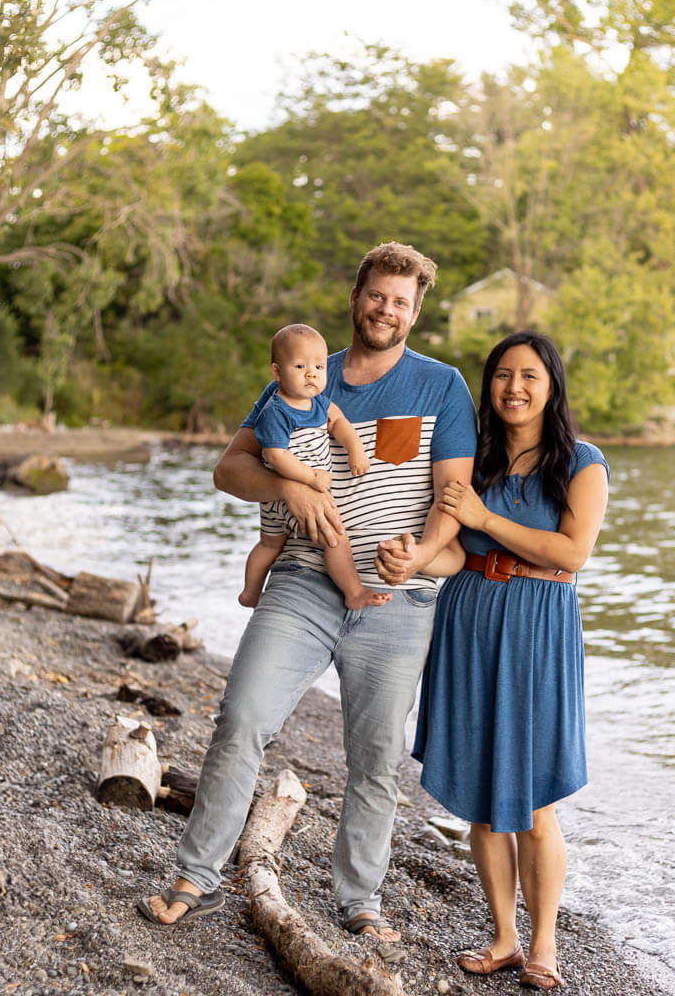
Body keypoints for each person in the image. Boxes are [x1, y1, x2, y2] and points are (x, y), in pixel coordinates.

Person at [139, 242, 477, 946]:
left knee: (376, 758)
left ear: (415, 313)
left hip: (398, 597)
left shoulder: (442, 386)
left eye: (401, 302)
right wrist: (288, 488)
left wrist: (420, 553)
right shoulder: (304, 373)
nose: (386, 310)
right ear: (356, 298)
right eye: (377, 295)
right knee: (241, 719)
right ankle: (195, 878)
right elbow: (229, 470)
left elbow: (454, 495)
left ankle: (360, 900)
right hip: (301, 582)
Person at [410, 331, 610, 991]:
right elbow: (454, 551)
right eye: (502, 375)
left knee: (535, 801)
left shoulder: (581, 462)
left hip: (538, 628)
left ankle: (544, 945)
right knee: (480, 798)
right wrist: (412, 559)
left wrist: (485, 518)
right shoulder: (474, 459)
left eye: (528, 376)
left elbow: (571, 553)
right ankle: (503, 938)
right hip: (469, 620)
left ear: (551, 386)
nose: (514, 388)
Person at [239, 322, 391, 611]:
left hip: (277, 500)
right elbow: (275, 456)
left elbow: (339, 422)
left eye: (319, 367)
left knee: (270, 544)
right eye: (300, 366)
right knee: (335, 537)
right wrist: (311, 478)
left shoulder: (318, 403)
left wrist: (355, 450)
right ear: (277, 372)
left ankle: (250, 593)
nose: (311, 373)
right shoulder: (276, 411)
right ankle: (353, 591)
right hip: (291, 492)